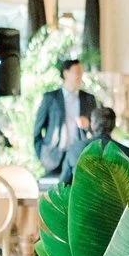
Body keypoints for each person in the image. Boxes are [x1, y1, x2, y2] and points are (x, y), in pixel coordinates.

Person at [31, 57, 96, 185]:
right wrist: (42, 154)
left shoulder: (89, 98)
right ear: (66, 73)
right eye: (77, 72)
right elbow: (37, 130)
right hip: (53, 156)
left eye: (81, 73)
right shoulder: (50, 98)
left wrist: (87, 124)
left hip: (78, 154)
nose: (80, 76)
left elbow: (96, 127)